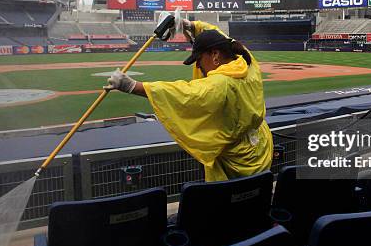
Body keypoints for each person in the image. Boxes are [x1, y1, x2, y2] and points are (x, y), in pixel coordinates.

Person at [106, 20, 273, 182]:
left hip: (237, 164)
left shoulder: (220, 84)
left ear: (215, 55)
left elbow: (185, 94)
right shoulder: (247, 61)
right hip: (261, 149)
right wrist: (191, 25)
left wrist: (132, 86)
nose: (198, 66)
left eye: (199, 60)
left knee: (234, 202)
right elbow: (222, 36)